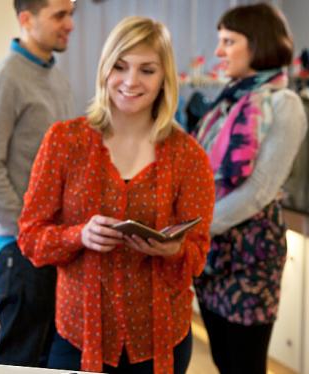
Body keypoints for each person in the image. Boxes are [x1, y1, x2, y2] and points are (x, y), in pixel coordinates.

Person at [18, 16, 215, 374]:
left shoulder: (189, 155)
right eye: (120, 67)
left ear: (164, 78)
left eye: (147, 70)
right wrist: (80, 234)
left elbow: (199, 253)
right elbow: (31, 237)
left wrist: (175, 249)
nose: (130, 81)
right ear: (105, 71)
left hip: (161, 339)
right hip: (79, 336)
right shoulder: (65, 141)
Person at [191, 4, 307, 374]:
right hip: (213, 250)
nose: (218, 52)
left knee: (245, 363)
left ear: (256, 44)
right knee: (223, 358)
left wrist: (195, 226)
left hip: (251, 254)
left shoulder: (284, 105)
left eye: (228, 41)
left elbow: (259, 190)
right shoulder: (230, 100)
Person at [0, 0, 75, 367]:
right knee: (20, 359)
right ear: (26, 19)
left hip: (55, 247)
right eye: (60, 15)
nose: (70, 24)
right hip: (23, 249)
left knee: (49, 358)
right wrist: (30, 232)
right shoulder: (4, 79)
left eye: (71, 13)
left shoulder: (54, 76)